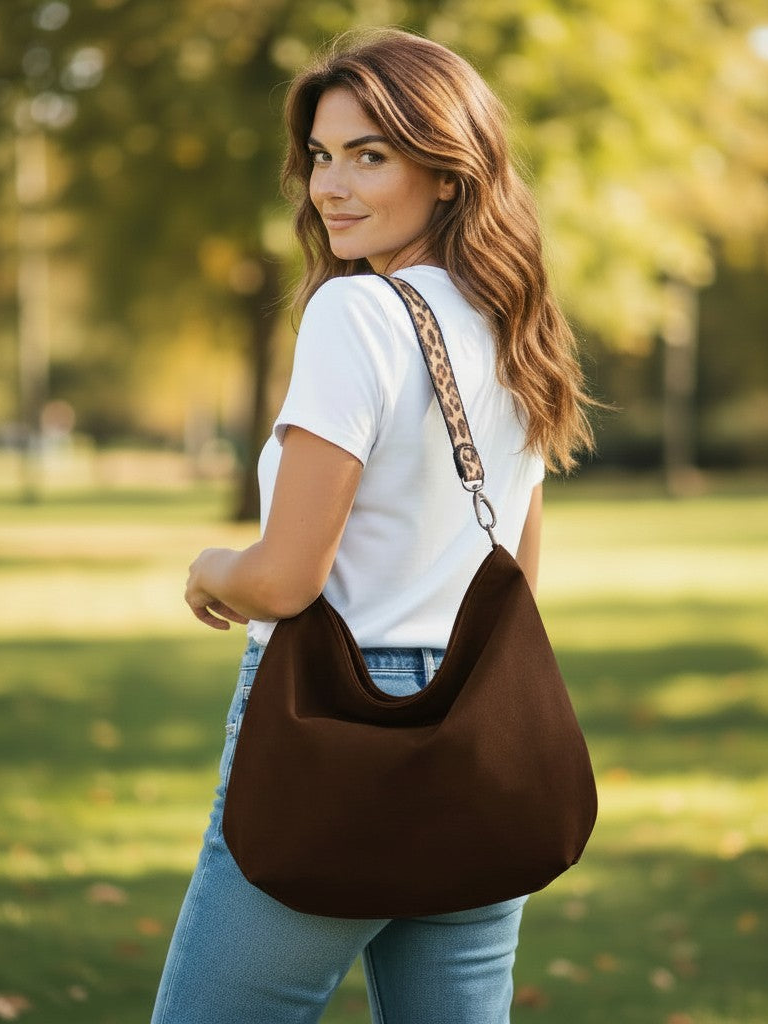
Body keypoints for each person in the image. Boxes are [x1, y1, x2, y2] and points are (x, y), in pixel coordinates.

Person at [152, 27, 595, 1024]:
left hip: (333, 724)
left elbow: (284, 580)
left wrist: (207, 565)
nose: (330, 186)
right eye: (320, 154)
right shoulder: (515, 327)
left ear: (446, 173)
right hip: (480, 727)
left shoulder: (357, 316)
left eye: (370, 154)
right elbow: (513, 577)